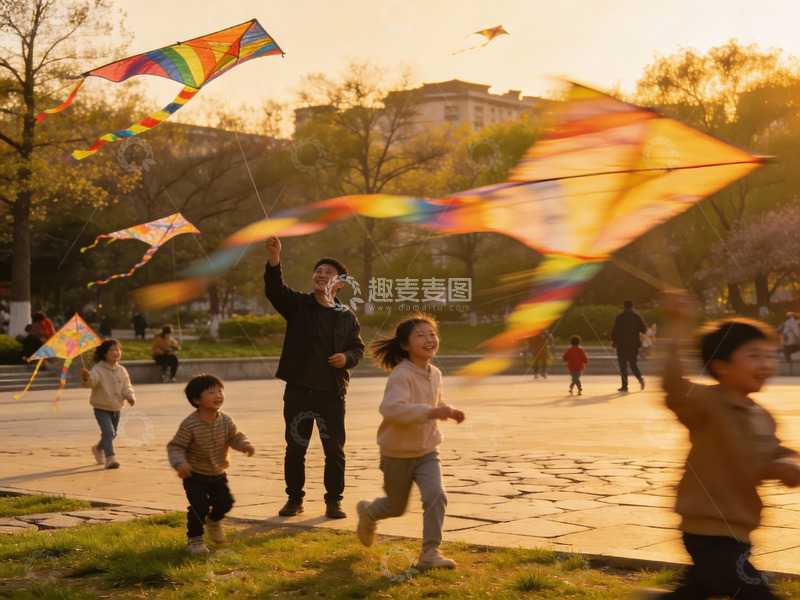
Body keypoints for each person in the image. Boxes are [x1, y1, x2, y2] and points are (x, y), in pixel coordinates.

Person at [637, 291, 800, 599]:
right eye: (754, 355)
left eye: (767, 355)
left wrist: (788, 464)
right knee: (754, 591)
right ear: (722, 366)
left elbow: (772, 452)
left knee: (700, 588)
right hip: (708, 528)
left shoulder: (762, 415)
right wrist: (679, 323)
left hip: (739, 528)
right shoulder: (706, 404)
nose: (765, 363)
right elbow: (672, 383)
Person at [264, 235, 365, 520]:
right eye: (318, 271)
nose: (321, 275)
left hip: (332, 394)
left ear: (340, 283)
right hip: (299, 392)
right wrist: (275, 258)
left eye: (328, 273)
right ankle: (294, 499)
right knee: (296, 448)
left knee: (334, 450)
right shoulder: (298, 305)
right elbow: (274, 289)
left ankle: (334, 501)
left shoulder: (347, 316)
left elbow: (358, 348)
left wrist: (346, 358)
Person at [355, 315, 465, 570]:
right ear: (405, 345)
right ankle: (369, 512)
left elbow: (433, 401)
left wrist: (446, 410)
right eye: (420, 335)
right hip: (397, 452)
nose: (429, 339)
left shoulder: (434, 372)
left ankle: (430, 552)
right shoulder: (401, 375)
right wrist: (431, 411)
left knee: (436, 494)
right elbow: (392, 409)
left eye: (432, 334)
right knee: (395, 507)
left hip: (428, 450)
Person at [167, 374, 255, 554]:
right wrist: (179, 463)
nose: (218, 395)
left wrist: (244, 444)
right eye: (211, 392)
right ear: (196, 400)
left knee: (225, 503)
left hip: (217, 473)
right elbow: (176, 447)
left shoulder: (225, 420)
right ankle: (195, 539)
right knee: (199, 507)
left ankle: (213, 521)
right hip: (194, 475)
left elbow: (234, 436)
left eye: (220, 391)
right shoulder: (190, 424)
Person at [80, 338, 135, 470]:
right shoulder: (98, 369)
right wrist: (87, 377)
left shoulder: (121, 370)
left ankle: (98, 448)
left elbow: (127, 386)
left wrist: (129, 396)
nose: (116, 352)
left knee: (112, 434)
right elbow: (92, 382)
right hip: (101, 407)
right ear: (105, 353)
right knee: (108, 432)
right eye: (112, 350)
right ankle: (110, 458)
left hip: (116, 407)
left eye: (117, 349)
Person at [610, 299, 646, 392]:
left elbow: (615, 331)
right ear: (632, 306)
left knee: (623, 365)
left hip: (622, 345)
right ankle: (640, 379)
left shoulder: (620, 317)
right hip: (634, 345)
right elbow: (643, 329)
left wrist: (613, 343)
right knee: (633, 364)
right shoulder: (637, 316)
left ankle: (624, 386)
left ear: (623, 306)